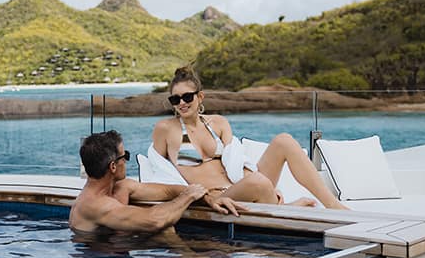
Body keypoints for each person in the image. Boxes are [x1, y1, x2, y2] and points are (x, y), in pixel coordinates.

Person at [149, 66, 347, 209]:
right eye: (175, 99)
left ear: (200, 97)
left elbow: (235, 161)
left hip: (240, 185)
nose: (181, 103)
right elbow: (160, 172)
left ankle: (334, 206)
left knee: (284, 141)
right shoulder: (165, 129)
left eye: (187, 97)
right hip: (216, 198)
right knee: (258, 182)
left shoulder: (218, 123)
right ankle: (283, 207)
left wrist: (257, 181)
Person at [69, 130, 242, 234]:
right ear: (113, 166)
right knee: (163, 228)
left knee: (166, 230)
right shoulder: (94, 205)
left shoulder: (122, 187)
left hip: (119, 254)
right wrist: (187, 197)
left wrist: (210, 198)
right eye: (125, 156)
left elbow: (168, 191)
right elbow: (154, 221)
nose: (127, 161)